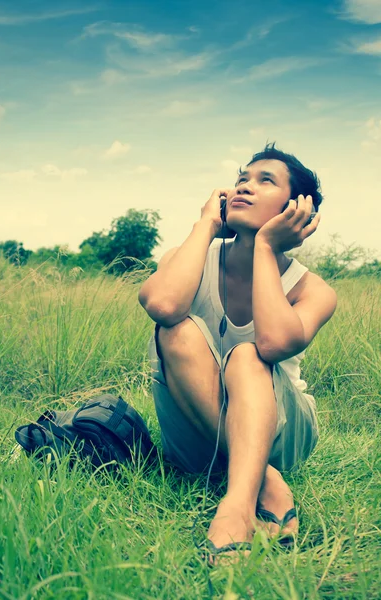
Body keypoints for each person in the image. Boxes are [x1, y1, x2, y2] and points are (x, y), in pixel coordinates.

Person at [138, 143, 337, 561]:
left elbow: (273, 344)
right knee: (175, 332)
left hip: (281, 434)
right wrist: (207, 222)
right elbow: (162, 306)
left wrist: (265, 248)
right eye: (241, 179)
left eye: (266, 181)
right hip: (195, 436)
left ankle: (235, 508)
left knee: (248, 355)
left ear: (297, 208)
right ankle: (265, 480)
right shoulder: (188, 257)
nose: (245, 187)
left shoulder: (312, 289)